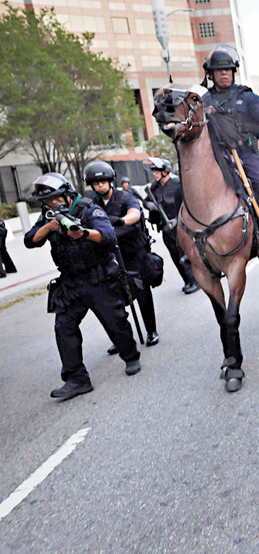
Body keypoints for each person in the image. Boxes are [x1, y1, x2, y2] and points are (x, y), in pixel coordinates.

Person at [23, 173, 141, 400]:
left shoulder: (88, 209)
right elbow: (30, 241)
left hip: (99, 279)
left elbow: (107, 235)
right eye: (48, 201)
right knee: (63, 327)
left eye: (56, 199)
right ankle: (77, 379)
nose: (52, 204)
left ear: (67, 195)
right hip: (71, 282)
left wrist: (83, 233)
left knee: (115, 322)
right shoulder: (49, 216)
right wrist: (50, 227)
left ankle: (131, 356)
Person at [202, 45, 259, 263]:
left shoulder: (247, 96)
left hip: (247, 153)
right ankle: (193, 245)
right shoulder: (203, 100)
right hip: (216, 156)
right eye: (219, 70)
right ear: (211, 74)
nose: (224, 73)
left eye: (228, 70)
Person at [85, 160, 159, 347]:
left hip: (134, 252)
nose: (100, 185)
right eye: (95, 183)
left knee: (141, 292)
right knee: (113, 298)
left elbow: (135, 214)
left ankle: (151, 330)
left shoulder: (125, 197)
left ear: (111, 181)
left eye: (103, 181)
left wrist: (120, 221)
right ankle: (121, 338)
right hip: (111, 256)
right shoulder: (92, 203)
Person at [144, 157, 200, 294]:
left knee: (184, 254)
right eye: (154, 171)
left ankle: (195, 280)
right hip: (165, 228)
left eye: (157, 171)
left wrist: (177, 219)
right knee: (175, 256)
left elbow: (189, 203)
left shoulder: (177, 184)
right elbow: (146, 201)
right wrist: (149, 205)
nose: (154, 174)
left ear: (165, 171)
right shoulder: (154, 187)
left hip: (181, 226)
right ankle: (187, 281)